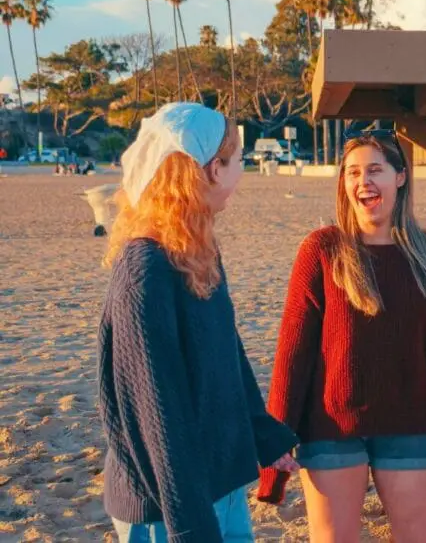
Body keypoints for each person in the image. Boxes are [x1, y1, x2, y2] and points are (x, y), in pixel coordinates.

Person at [258, 128, 426, 543]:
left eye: (375, 170)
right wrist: (274, 450)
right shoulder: (321, 250)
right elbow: (293, 355)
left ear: (400, 177)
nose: (364, 182)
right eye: (353, 173)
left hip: (410, 424)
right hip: (330, 429)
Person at [97, 103, 300, 542]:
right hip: (167, 505)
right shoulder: (145, 269)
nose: (242, 171)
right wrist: (189, 527)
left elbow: (227, 354)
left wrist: (264, 437)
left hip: (219, 485)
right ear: (211, 169)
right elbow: (156, 416)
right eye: (238, 159)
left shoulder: (197, 250)